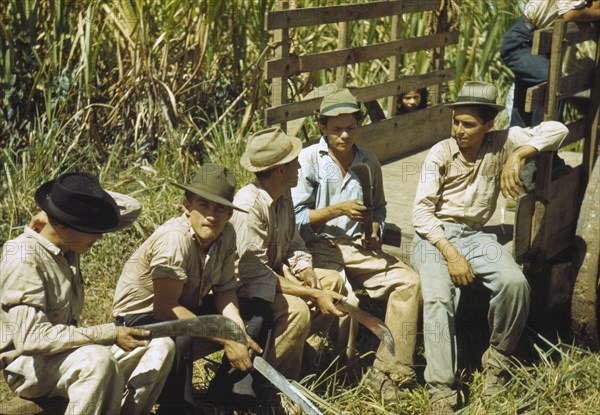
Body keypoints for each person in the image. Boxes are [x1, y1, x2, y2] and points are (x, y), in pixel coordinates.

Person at [411, 81, 568, 413]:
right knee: (439, 297)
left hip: (475, 236)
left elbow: (558, 129)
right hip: (432, 236)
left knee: (515, 284)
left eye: (468, 124)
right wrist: (450, 254)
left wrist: (522, 154)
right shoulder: (441, 152)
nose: (459, 130)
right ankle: (441, 387)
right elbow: (420, 213)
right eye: (456, 122)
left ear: (488, 124)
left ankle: (496, 363)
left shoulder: (503, 142)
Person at [0, 172, 174, 415]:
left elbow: (131, 208)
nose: (100, 236)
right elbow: (32, 339)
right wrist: (109, 333)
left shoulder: (67, 243)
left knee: (159, 345)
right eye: (90, 228)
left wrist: (59, 209)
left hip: (65, 353)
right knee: (97, 361)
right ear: (62, 225)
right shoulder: (23, 256)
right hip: (29, 365)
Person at [291, 88, 421, 401]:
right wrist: (337, 209)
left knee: (409, 281)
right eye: (336, 129)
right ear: (322, 127)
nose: (345, 135)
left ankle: (390, 372)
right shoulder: (309, 160)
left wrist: (375, 229)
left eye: (351, 127)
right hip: (317, 246)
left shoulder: (368, 161)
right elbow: (295, 218)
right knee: (347, 300)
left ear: (359, 125)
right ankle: (338, 372)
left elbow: (378, 207)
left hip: (357, 246)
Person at [111, 164, 264, 414]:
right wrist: (225, 336)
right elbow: (165, 308)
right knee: (181, 336)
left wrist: (236, 330)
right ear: (187, 207)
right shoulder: (175, 239)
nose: (211, 215)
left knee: (256, 312)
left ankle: (224, 396)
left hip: (185, 306)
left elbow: (224, 290)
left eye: (220, 208)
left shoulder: (226, 233)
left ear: (229, 213)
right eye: (203, 205)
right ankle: (176, 407)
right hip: (140, 317)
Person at [232, 127, 347, 382]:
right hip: (243, 290)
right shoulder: (250, 205)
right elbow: (253, 274)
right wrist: (311, 293)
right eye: (294, 163)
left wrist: (307, 271)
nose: (299, 167)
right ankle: (270, 384)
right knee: (298, 310)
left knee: (333, 282)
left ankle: (303, 360)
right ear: (281, 170)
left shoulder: (283, 195)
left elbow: (294, 243)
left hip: (269, 277)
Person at [500, 0, 600, 127]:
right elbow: (569, 14)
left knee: (525, 101)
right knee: (555, 83)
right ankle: (543, 138)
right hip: (523, 40)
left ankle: (524, 138)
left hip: (534, 40)